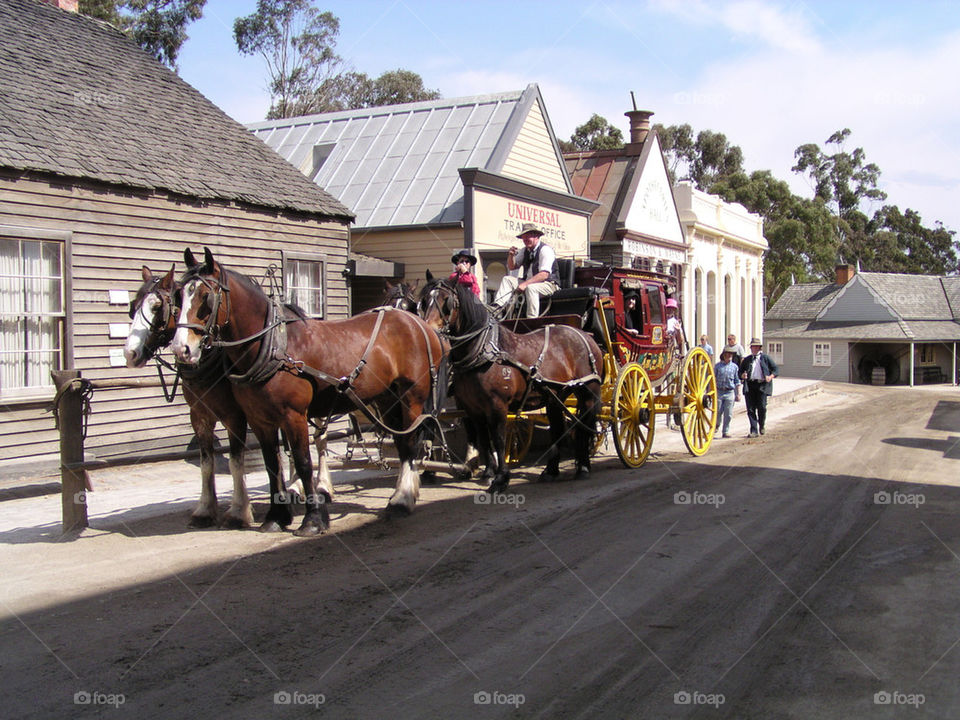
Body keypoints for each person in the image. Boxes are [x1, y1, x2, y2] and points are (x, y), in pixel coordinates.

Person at [494, 223, 559, 318]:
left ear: (536, 236)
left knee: (531, 288)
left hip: (548, 284)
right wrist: (511, 255)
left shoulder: (545, 250)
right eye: (523, 237)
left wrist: (525, 284)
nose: (525, 240)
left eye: (528, 236)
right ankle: (497, 308)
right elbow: (512, 266)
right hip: (529, 283)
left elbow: (544, 275)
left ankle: (532, 319)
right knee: (507, 279)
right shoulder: (524, 251)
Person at [739, 337, 779, 438]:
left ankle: (761, 424)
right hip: (750, 385)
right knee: (751, 409)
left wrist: (770, 376)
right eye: (753, 347)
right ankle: (754, 430)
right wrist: (742, 376)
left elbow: (775, 369)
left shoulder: (765, 358)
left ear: (759, 348)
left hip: (762, 386)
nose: (754, 348)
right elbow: (740, 372)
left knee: (762, 407)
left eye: (756, 347)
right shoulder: (747, 360)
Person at [715, 346, 741, 438]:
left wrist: (738, 394)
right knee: (717, 412)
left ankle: (725, 431)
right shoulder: (717, 366)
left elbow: (737, 381)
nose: (729, 356)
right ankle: (716, 425)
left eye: (731, 354)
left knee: (728, 414)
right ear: (724, 355)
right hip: (719, 391)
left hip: (730, 392)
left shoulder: (735, 367)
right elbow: (712, 379)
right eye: (727, 354)